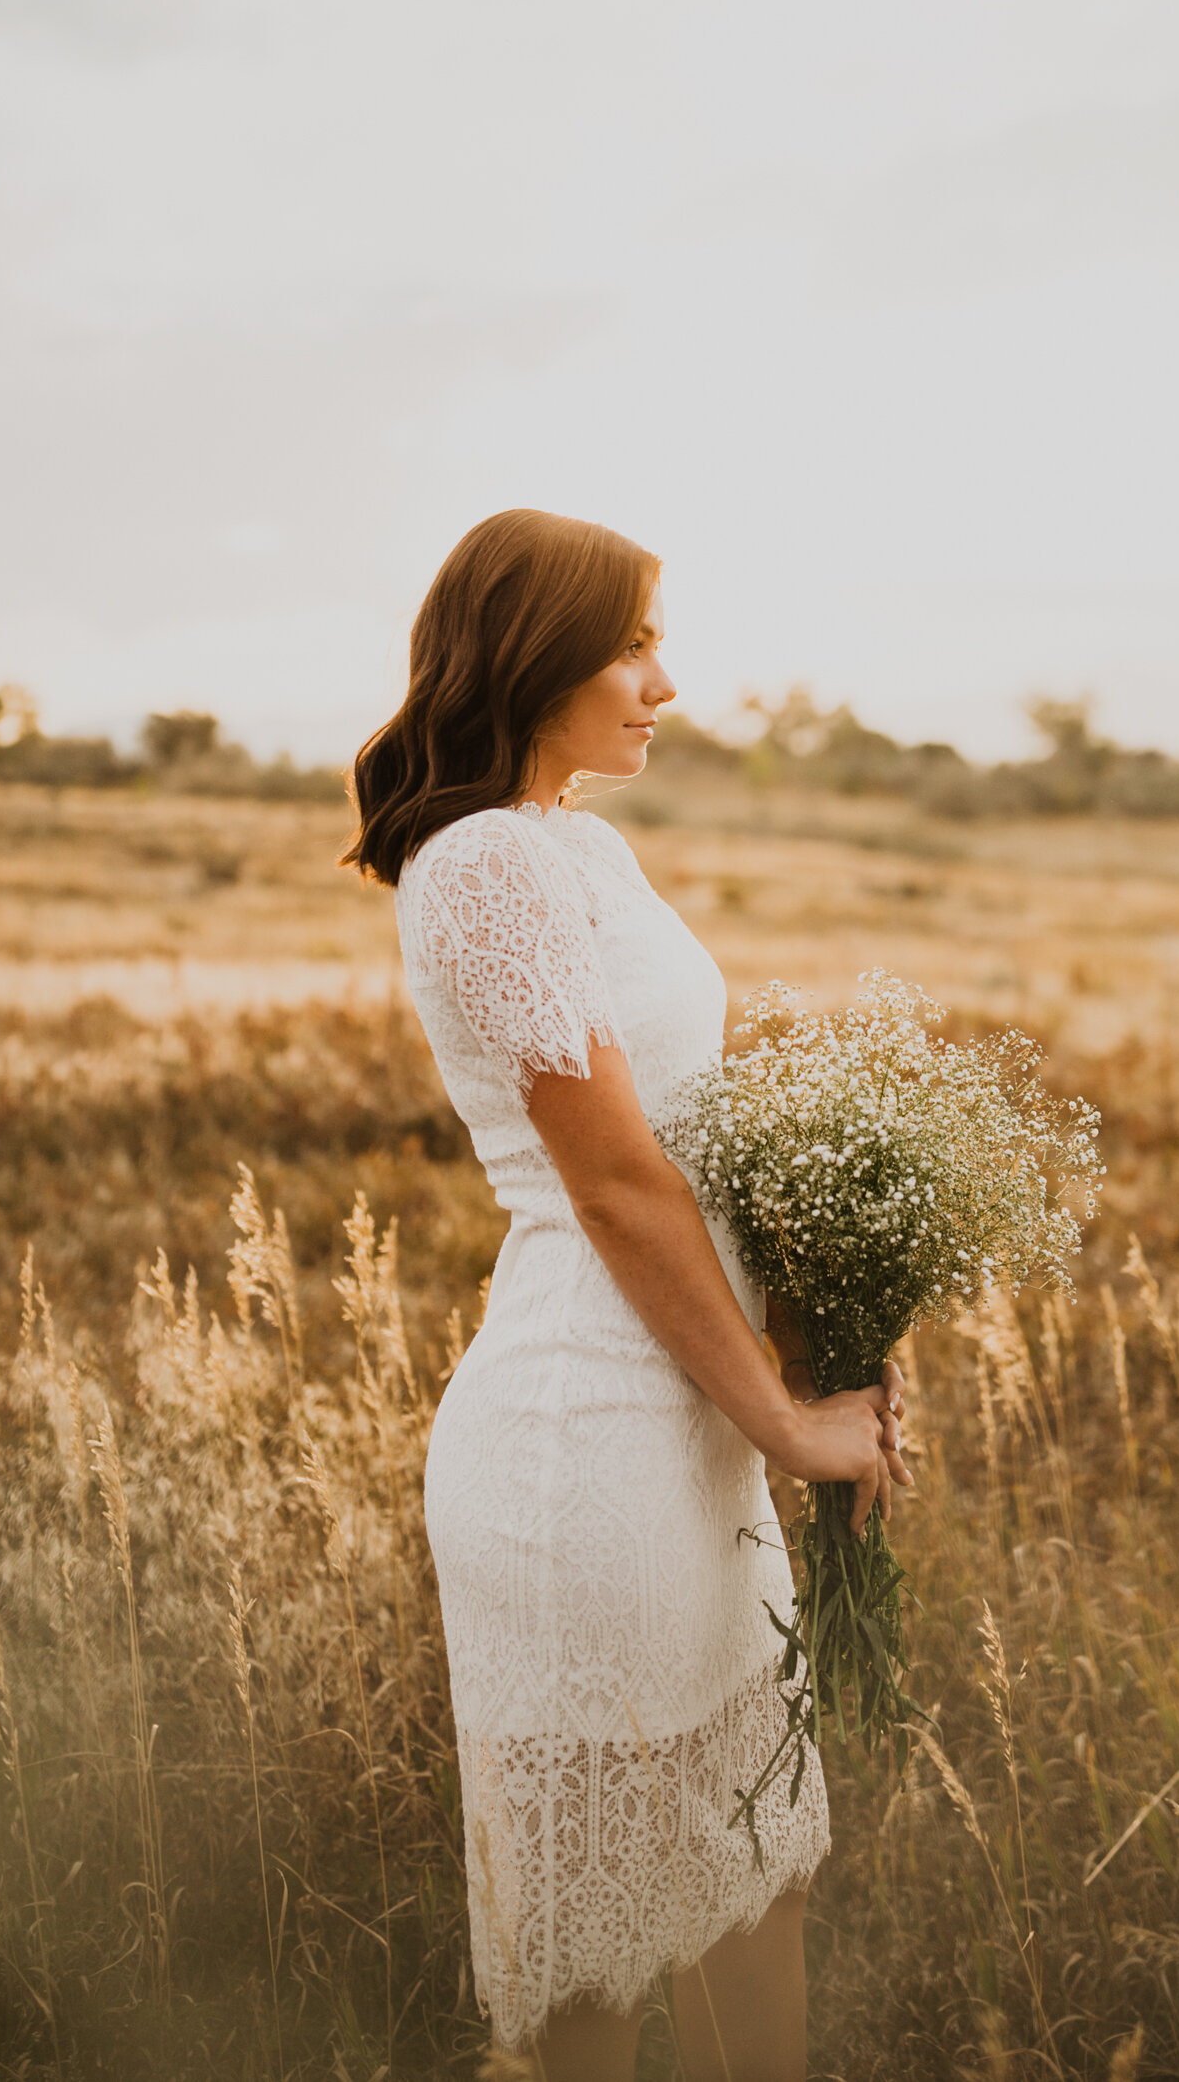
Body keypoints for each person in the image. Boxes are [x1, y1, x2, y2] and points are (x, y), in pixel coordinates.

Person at [344, 509, 910, 2082]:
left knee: (753, 1884)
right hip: (578, 1449)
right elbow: (613, 1182)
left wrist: (823, 1317)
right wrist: (794, 1427)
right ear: (535, 656)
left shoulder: (582, 845)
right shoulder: (480, 867)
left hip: (694, 1430)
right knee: (594, 1956)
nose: (666, 678)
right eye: (637, 639)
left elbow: (693, 1147)